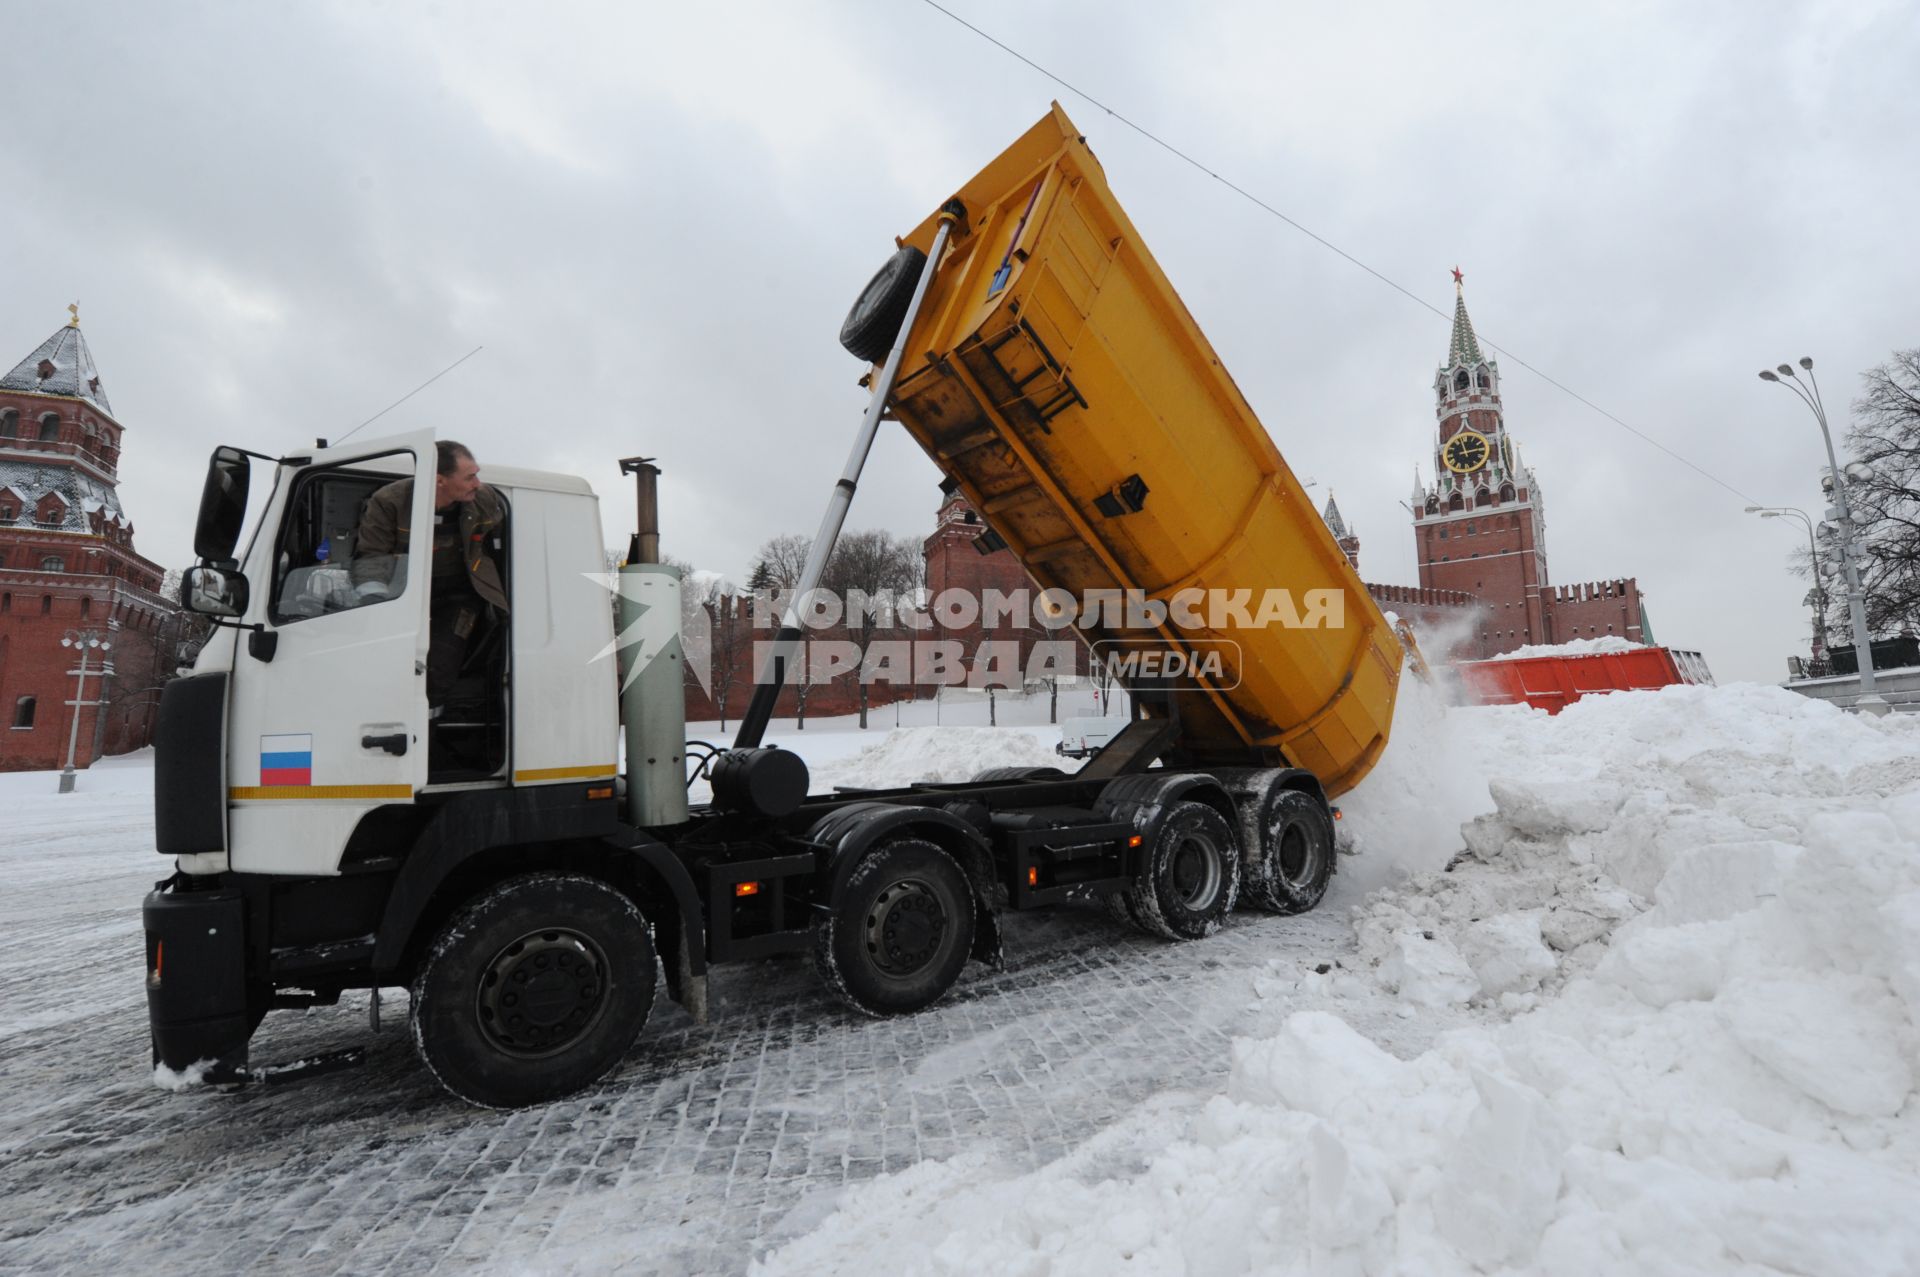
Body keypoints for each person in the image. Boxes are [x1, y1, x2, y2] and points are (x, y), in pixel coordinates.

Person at [353, 440, 509, 709]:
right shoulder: (389, 502)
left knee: (437, 667)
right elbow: (372, 556)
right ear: (439, 481)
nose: (478, 484)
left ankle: (428, 732)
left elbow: (499, 542)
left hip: (459, 596)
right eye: (470, 477)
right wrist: (376, 610)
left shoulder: (485, 500)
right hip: (404, 596)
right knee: (389, 666)